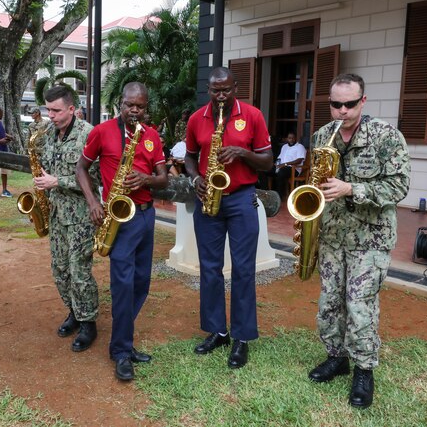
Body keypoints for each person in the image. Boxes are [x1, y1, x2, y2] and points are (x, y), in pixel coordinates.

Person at [307, 73, 410, 409]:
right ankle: (337, 357)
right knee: (330, 301)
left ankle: (364, 369)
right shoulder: (322, 136)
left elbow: (399, 187)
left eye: (350, 104)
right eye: (336, 104)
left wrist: (352, 188)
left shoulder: (386, 136)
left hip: (371, 237)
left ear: (362, 102)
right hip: (334, 235)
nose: (342, 111)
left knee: (359, 304)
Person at [76, 82, 168, 381]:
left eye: (140, 106)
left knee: (141, 283)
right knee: (123, 285)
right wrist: (93, 202)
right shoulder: (101, 132)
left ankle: (124, 337)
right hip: (119, 217)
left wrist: (145, 179)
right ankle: (121, 351)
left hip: (145, 215)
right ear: (121, 103)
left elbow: (163, 179)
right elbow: (81, 169)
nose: (134, 110)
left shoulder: (152, 135)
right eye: (130, 105)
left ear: (146, 107)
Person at [184, 67, 272, 370]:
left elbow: (268, 161)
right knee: (209, 268)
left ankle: (242, 338)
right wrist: (194, 177)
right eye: (214, 90)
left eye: (226, 90)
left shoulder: (253, 115)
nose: (220, 96)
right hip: (209, 199)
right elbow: (189, 156)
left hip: (241, 199)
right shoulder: (197, 118)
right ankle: (217, 331)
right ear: (208, 89)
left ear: (236, 88)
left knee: (244, 270)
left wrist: (243, 153)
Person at [33, 86, 100, 352]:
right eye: (48, 109)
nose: (51, 115)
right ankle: (73, 311)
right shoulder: (49, 133)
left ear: (72, 109)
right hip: (57, 213)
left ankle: (88, 323)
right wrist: (42, 180)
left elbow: (94, 179)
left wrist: (56, 181)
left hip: (81, 215)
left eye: (56, 110)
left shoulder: (89, 133)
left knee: (79, 271)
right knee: (59, 270)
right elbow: (43, 164)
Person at [273, 131, 307, 198]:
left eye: (292, 138)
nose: (291, 140)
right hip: (281, 166)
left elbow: (299, 160)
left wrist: (285, 164)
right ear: (287, 139)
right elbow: (279, 158)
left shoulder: (300, 147)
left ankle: (279, 196)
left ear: (295, 138)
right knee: (265, 170)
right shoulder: (284, 146)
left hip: (294, 169)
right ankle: (268, 193)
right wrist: (276, 164)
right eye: (289, 138)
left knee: (281, 172)